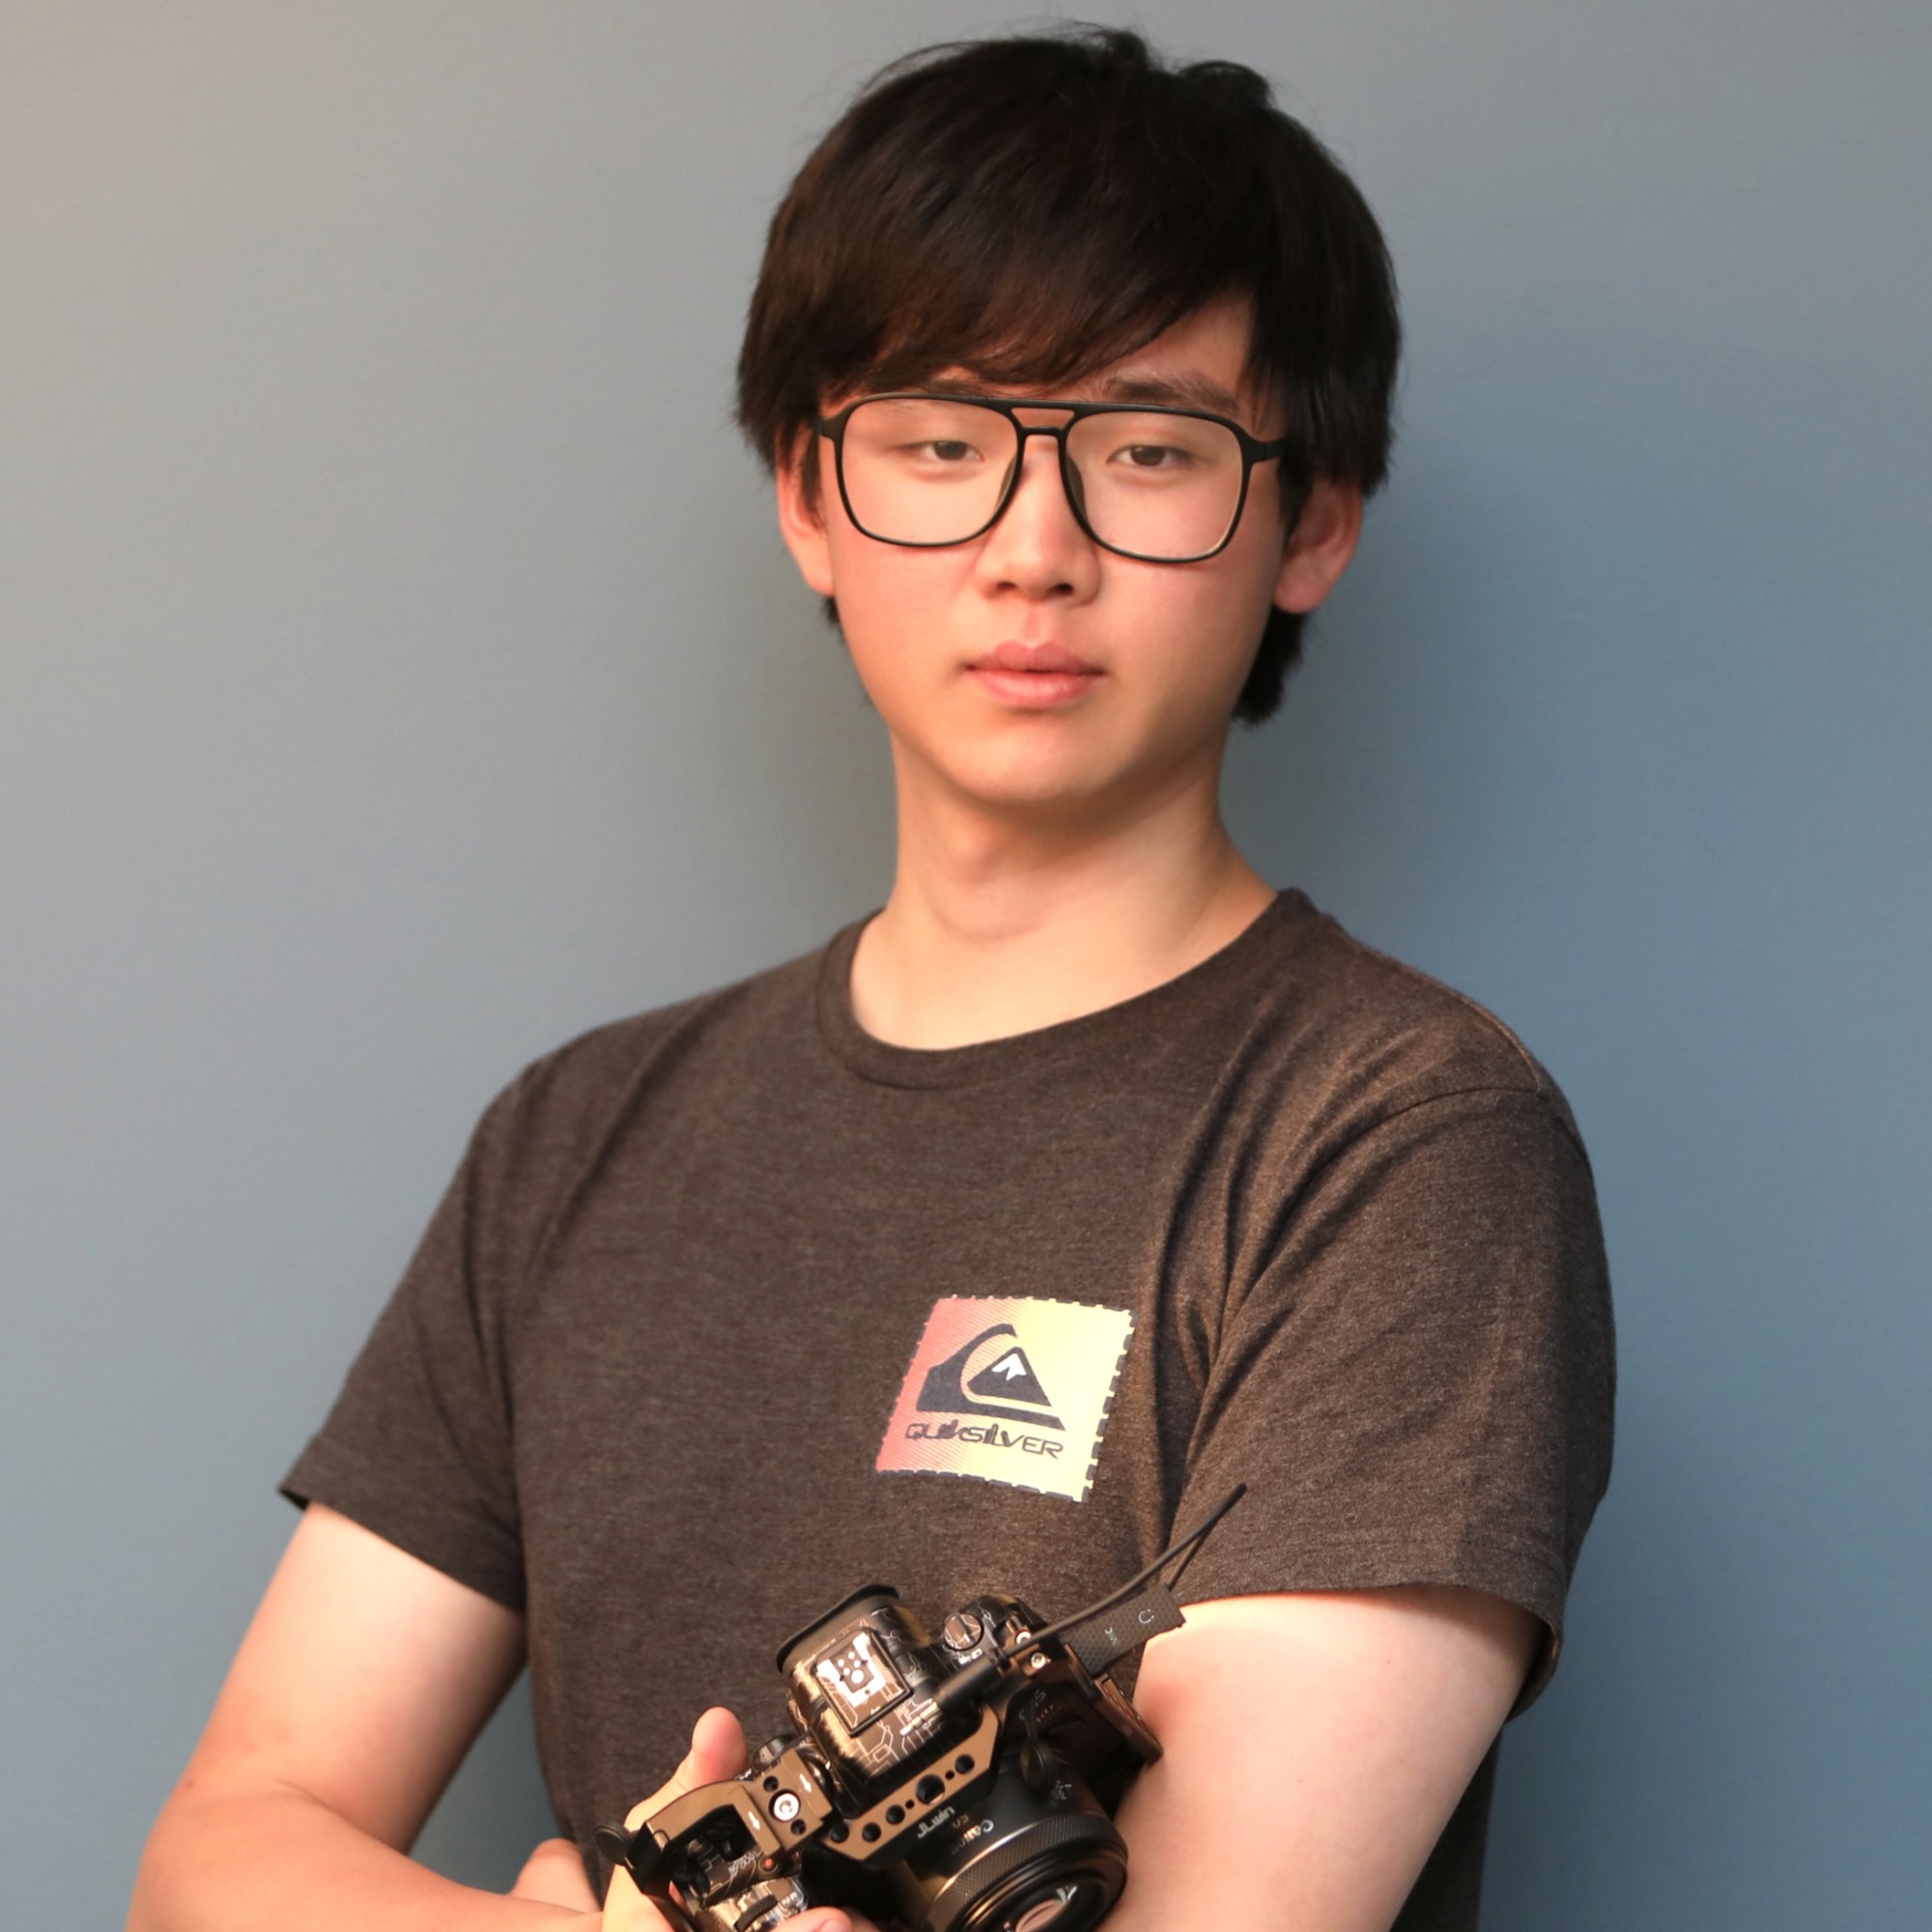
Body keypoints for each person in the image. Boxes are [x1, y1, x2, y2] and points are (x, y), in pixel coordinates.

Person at [128, 27, 1612, 1932]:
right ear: (809, 497)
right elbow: (218, 1854)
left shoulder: (1402, 1141)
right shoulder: (578, 1138)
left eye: (1149, 453)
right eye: (939, 445)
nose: (1031, 552)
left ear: (1308, 520)